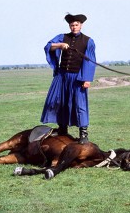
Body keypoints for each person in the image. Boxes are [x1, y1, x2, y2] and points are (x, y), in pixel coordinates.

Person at [40, 13, 96, 144]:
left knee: (79, 104)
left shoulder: (88, 41)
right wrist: (59, 45)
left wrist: (86, 79)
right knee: (60, 102)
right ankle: (62, 129)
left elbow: (90, 61)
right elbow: (48, 46)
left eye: (76, 25)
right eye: (72, 25)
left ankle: (83, 133)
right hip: (62, 76)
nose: (74, 27)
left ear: (81, 25)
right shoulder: (62, 37)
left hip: (78, 77)